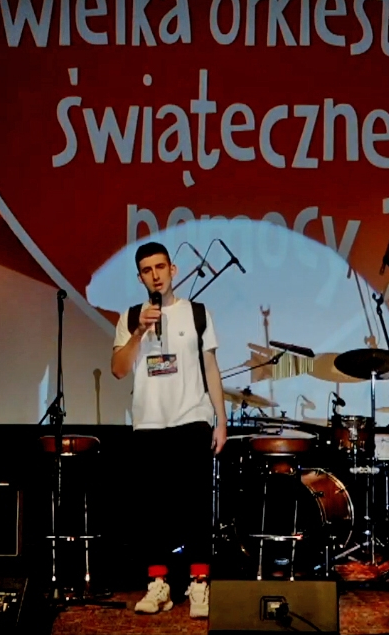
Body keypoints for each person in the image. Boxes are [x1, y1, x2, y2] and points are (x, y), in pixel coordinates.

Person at [111, 241, 229, 619]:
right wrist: (138, 333)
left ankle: (199, 583)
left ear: (173, 270)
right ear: (140, 277)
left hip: (192, 417)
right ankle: (158, 583)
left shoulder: (197, 313)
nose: (155, 275)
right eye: (147, 270)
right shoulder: (131, 317)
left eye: (160, 267)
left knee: (195, 506)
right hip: (149, 422)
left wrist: (221, 419)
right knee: (152, 509)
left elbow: (210, 367)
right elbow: (118, 369)